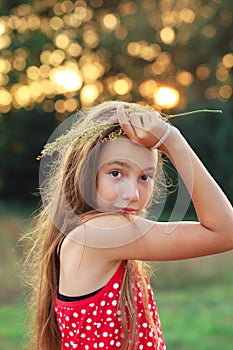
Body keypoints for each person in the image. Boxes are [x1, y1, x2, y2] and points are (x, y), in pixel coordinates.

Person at [25, 101, 233, 350]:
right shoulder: (98, 234)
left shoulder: (91, 232)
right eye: (116, 173)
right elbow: (225, 230)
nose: (132, 193)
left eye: (145, 177)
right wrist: (173, 140)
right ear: (85, 171)